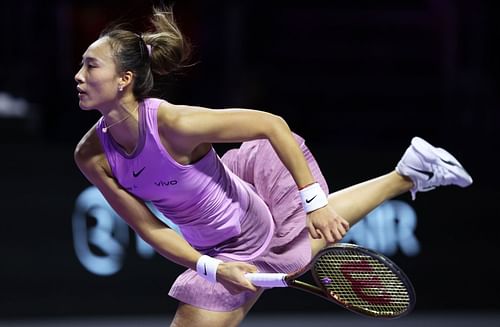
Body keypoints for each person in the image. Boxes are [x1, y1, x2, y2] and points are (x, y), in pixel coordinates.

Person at [73, 6, 473, 327]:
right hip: (209, 243)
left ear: (124, 79)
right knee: (310, 236)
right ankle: (410, 172)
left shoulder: (175, 125)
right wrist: (213, 267)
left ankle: (407, 174)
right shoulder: (90, 155)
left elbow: (270, 125)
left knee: (308, 231)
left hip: (249, 230)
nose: (79, 75)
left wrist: (314, 202)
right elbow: (149, 227)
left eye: (91, 66)